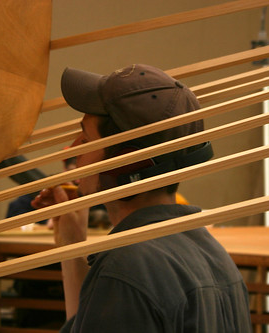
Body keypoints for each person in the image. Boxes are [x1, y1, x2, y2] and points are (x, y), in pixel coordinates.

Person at [32, 64, 251, 332]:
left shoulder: (125, 270)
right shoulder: (215, 259)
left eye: (86, 138)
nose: (73, 149)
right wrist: (71, 245)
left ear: (125, 164)